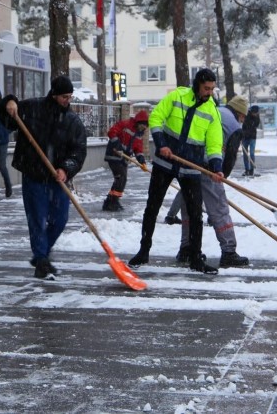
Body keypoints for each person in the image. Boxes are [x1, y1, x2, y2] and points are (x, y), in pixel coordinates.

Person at [128, 68, 224, 274]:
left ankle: (195, 258)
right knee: (152, 208)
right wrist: (161, 143)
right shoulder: (176, 97)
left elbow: (214, 144)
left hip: (191, 167)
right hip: (165, 163)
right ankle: (143, 251)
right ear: (197, 84)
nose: (209, 93)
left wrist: (217, 168)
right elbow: (156, 119)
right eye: (206, 88)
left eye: (212, 89)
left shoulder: (212, 111)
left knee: (195, 214)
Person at [0, 75, 87, 279]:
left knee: (60, 219)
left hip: (57, 179)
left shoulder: (72, 122)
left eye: (70, 97)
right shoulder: (32, 109)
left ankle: (41, 255)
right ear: (54, 94)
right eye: (64, 96)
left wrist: (66, 169)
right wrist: (9, 102)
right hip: (34, 174)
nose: (67, 101)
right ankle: (42, 259)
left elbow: (79, 151)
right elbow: (6, 116)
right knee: (37, 219)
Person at [173, 95, 250, 270]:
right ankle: (229, 252)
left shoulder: (212, 111)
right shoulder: (234, 126)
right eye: (244, 116)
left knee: (189, 208)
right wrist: (222, 177)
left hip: (188, 161)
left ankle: (186, 249)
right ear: (239, 112)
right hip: (209, 167)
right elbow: (229, 157)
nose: (243, 119)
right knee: (219, 208)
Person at [102, 110, 149, 211]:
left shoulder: (139, 133)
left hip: (123, 158)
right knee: (121, 178)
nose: (145, 127)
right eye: (143, 124)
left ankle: (110, 201)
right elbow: (112, 132)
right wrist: (117, 145)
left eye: (146, 125)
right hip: (114, 155)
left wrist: (141, 160)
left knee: (120, 179)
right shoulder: (125, 124)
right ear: (138, 122)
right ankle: (113, 202)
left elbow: (138, 148)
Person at [241, 105, 260, 177]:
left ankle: (251, 170)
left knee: (252, 153)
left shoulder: (257, 116)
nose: (255, 114)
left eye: (256, 113)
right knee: (245, 154)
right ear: (251, 112)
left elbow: (256, 124)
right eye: (254, 113)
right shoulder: (246, 115)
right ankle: (247, 170)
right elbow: (245, 125)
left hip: (252, 137)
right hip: (245, 137)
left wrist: (255, 117)